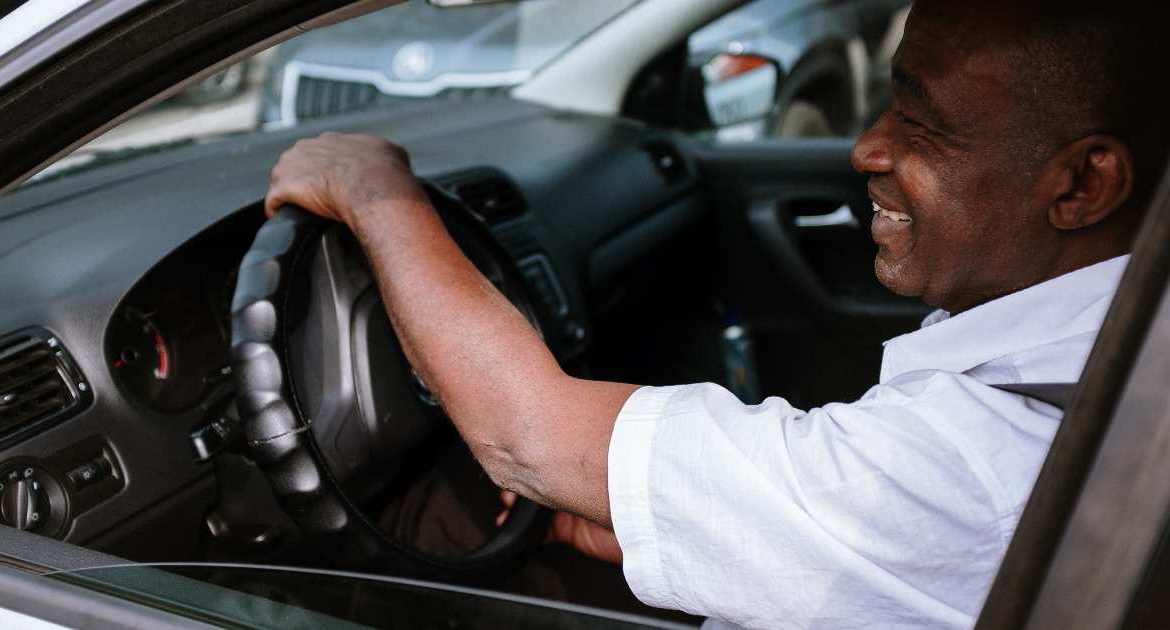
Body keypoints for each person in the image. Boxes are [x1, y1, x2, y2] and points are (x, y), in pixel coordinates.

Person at [263, 1, 1170, 627]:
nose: (866, 148)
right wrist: (692, 525)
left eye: (923, 126)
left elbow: (521, 437)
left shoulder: (978, 460)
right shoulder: (1099, 356)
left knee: (428, 530)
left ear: (1083, 183)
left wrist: (373, 190)